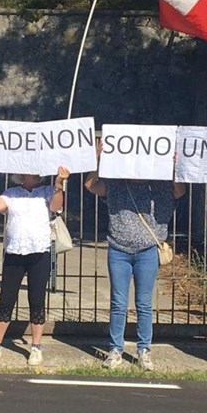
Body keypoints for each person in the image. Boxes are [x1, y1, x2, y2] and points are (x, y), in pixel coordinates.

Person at [84, 140, 185, 371]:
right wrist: (97, 159)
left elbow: (179, 191)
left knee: (144, 303)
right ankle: (115, 349)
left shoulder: (158, 187)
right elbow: (90, 184)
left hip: (147, 251)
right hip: (118, 249)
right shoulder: (116, 185)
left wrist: (173, 168)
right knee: (118, 302)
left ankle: (144, 350)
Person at [0, 164, 69, 366]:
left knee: (37, 299)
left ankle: (36, 347)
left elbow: (55, 207)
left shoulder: (46, 191)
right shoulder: (11, 193)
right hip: (14, 252)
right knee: (6, 299)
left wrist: (59, 184)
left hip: (39, 252)